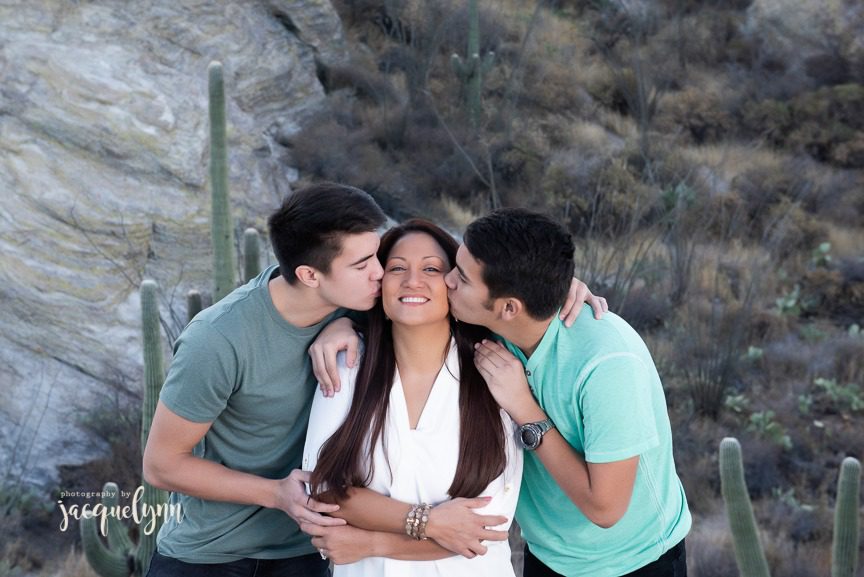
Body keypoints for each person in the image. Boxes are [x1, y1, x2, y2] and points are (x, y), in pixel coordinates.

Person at [142, 183, 387, 577]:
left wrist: (344, 321)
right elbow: (161, 465)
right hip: (210, 557)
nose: (379, 272)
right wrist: (276, 494)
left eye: (376, 254)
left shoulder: (360, 306)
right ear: (309, 275)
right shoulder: (218, 339)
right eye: (362, 265)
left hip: (308, 553)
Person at [445, 208, 691, 577]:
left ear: (509, 308)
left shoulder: (608, 363)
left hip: (633, 563)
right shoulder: (488, 325)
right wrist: (342, 329)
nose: (446, 281)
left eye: (461, 278)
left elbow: (606, 509)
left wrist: (525, 410)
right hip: (547, 556)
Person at [302, 219, 523, 576]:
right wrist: (431, 523)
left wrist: (374, 540)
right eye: (397, 268)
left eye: (431, 269)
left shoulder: (494, 371)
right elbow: (324, 493)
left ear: (455, 284)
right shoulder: (347, 363)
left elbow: (486, 527)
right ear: (380, 283)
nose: (412, 281)